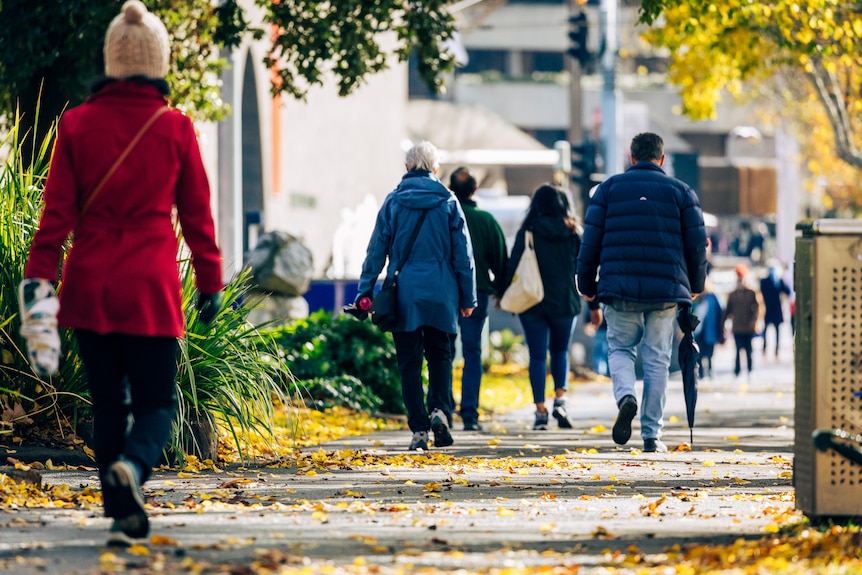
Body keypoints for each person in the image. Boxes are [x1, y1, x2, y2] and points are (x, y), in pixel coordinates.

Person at [18, 0, 223, 546]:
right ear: (158, 62)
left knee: (109, 403)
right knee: (158, 403)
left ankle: (120, 513)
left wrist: (40, 288)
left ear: (111, 61)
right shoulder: (175, 127)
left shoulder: (77, 124)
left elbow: (54, 219)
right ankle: (134, 467)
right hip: (150, 288)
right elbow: (198, 215)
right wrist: (209, 282)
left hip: (89, 287)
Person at [576, 132, 708, 453]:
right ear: (662, 159)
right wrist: (695, 285)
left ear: (631, 157)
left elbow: (590, 241)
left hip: (618, 288)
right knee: (657, 361)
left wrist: (587, 285)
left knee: (620, 349)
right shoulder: (682, 193)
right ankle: (652, 435)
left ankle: (626, 397)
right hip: (665, 291)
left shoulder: (607, 190)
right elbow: (696, 245)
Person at [353, 141, 476, 451]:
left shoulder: (393, 202)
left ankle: (419, 431)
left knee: (409, 363)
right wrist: (468, 298)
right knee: (441, 356)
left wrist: (364, 291)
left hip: (404, 293)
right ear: (436, 170)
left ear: (407, 168)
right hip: (442, 293)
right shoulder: (448, 202)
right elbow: (463, 256)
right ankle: (439, 411)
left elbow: (376, 251)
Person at [502, 184, 587, 431]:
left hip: (532, 302)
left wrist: (504, 294)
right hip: (565, 301)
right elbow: (583, 268)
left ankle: (540, 411)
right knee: (560, 351)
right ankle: (561, 400)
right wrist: (592, 300)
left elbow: (513, 265)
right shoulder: (574, 232)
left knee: (537, 356)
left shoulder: (528, 231)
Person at [448, 167, 508, 431]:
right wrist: (500, 290)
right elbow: (501, 261)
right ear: (474, 190)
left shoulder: (444, 217)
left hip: (445, 293)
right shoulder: (486, 220)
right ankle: (470, 413)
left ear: (451, 189)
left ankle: (444, 407)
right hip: (478, 292)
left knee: (444, 352)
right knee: (472, 352)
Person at [724, 264, 762, 379]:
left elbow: (758, 308)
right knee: (737, 350)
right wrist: (724, 324)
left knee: (749, 350)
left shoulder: (752, 292)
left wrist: (754, 321)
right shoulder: (733, 294)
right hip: (737, 327)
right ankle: (737, 371)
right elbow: (728, 310)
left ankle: (750, 370)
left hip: (748, 327)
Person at [693, 278, 724, 379]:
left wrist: (721, 328)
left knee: (709, 352)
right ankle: (701, 372)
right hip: (698, 330)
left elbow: (720, 311)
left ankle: (710, 370)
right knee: (699, 352)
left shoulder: (713, 297)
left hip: (710, 329)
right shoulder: (696, 298)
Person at [759, 264, 791, 357]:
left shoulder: (778, 281)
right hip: (769, 309)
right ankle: (766, 347)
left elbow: (787, 291)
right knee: (767, 330)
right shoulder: (766, 281)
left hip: (773, 309)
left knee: (776, 330)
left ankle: (775, 348)